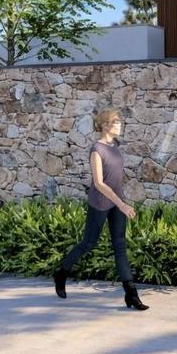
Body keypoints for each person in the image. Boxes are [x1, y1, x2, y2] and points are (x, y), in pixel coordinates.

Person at [53, 108, 149, 310]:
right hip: (100, 202)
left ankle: (131, 295)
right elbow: (99, 183)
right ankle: (61, 273)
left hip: (117, 202)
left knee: (120, 246)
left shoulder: (115, 146)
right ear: (105, 125)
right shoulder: (97, 149)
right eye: (116, 122)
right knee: (88, 243)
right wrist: (122, 204)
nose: (120, 124)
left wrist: (120, 203)